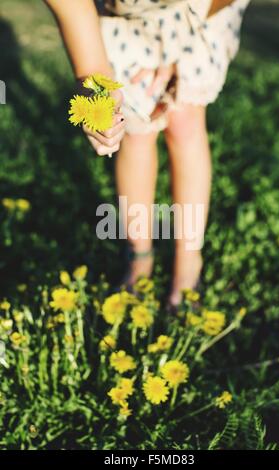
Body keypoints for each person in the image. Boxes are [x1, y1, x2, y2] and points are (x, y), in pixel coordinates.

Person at [45, 0, 250, 306]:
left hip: (204, 7)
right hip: (122, 18)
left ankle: (188, 262)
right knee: (136, 123)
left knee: (185, 118)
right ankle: (139, 256)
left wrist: (175, 49)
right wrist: (97, 98)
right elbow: (76, 15)